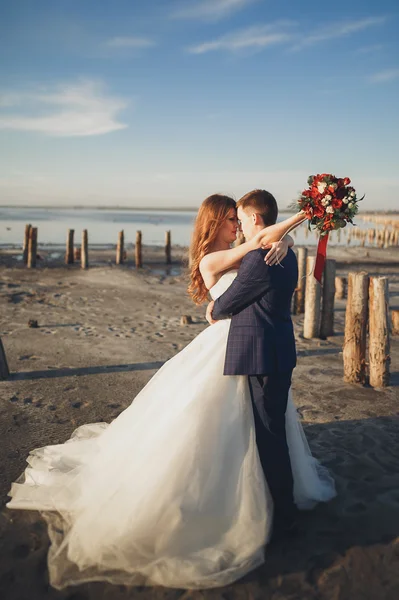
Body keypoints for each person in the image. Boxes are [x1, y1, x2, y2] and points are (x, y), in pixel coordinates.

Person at [7, 195, 335, 591]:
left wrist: (288, 241)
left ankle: (264, 500)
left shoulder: (252, 249)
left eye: (238, 219)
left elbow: (260, 248)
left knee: (252, 429)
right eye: (229, 220)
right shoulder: (213, 260)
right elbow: (254, 252)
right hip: (230, 348)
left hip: (244, 348)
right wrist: (287, 233)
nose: (235, 226)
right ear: (213, 225)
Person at [205, 190, 301, 537]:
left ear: (256, 219)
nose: (241, 226)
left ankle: (284, 512)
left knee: (270, 435)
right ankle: (274, 501)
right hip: (277, 350)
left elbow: (231, 300)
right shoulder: (286, 256)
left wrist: (214, 309)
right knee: (268, 428)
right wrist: (287, 240)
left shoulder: (261, 259)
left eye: (242, 219)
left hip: (262, 355)